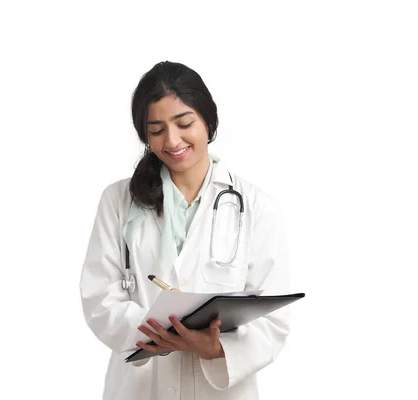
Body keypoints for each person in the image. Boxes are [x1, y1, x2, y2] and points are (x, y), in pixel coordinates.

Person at [79, 61, 291, 399]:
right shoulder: (118, 201)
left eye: (184, 123)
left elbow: (273, 319)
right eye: (157, 129)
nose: (172, 140)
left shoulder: (256, 207)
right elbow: (99, 297)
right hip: (139, 387)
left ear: (208, 120)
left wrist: (217, 348)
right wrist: (158, 334)